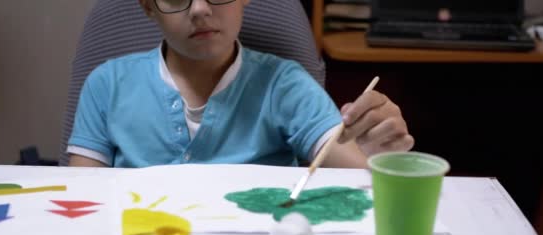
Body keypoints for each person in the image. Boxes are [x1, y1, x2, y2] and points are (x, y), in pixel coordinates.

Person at [67, 0, 414, 168]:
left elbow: (354, 170)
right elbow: (81, 204)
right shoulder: (106, 84)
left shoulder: (285, 84)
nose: (200, 9)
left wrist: (376, 156)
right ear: (147, 7)